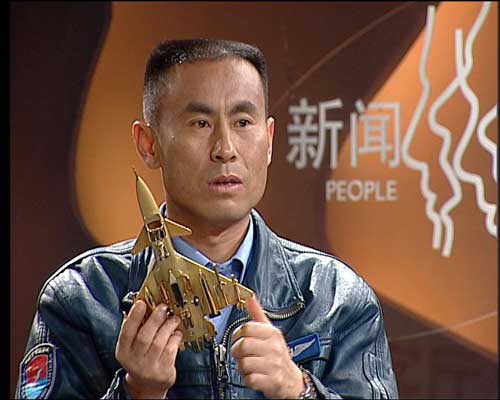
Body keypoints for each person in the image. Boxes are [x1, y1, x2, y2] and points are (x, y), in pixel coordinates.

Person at [16, 39, 399, 399]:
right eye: (200, 123)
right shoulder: (83, 298)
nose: (225, 149)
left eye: (243, 122)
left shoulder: (335, 298)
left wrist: (297, 389)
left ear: (269, 140)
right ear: (149, 144)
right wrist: (136, 392)